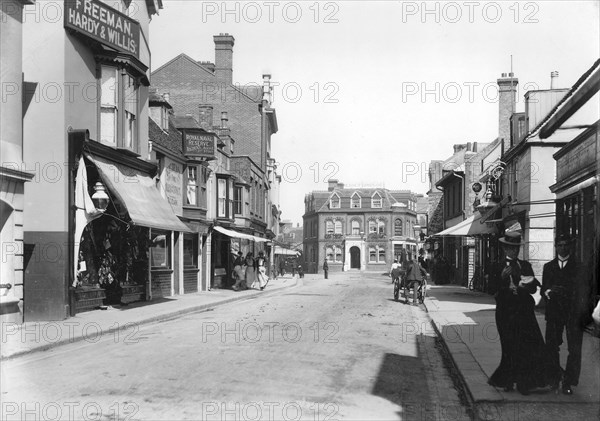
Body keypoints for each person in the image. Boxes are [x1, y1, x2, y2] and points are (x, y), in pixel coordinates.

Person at [488, 232, 550, 395]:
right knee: (508, 347)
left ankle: (524, 384)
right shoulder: (496, 266)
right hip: (505, 313)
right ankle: (508, 381)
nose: (513, 252)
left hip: (523, 312)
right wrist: (502, 279)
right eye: (509, 248)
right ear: (504, 248)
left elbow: (534, 287)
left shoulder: (525, 265)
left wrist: (524, 286)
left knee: (524, 347)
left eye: (515, 248)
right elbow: (490, 289)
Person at [541, 234, 589, 395]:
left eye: (565, 245)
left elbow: (584, 290)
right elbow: (543, 289)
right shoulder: (548, 267)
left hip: (573, 313)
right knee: (552, 347)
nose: (563, 248)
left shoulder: (579, 267)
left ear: (571, 246)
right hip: (554, 312)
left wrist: (568, 293)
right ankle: (553, 379)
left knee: (574, 349)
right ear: (555, 247)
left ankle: (568, 382)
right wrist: (549, 291)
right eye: (559, 245)